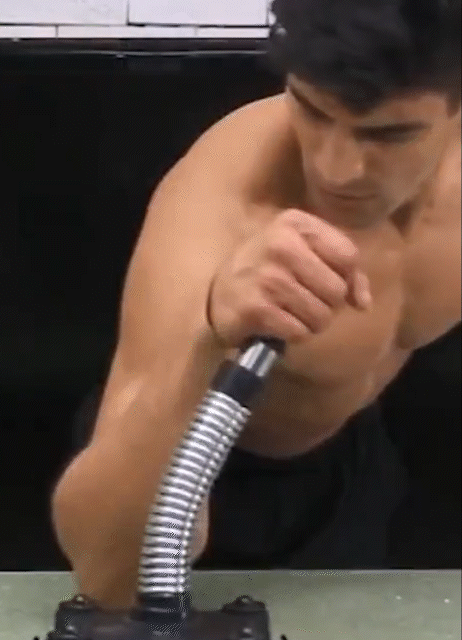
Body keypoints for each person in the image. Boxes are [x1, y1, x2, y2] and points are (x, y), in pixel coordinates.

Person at [51, 0, 461, 611]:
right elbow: (108, 581)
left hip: (347, 466)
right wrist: (211, 334)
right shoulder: (229, 198)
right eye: (312, 110)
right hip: (183, 451)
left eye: (390, 134)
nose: (336, 169)